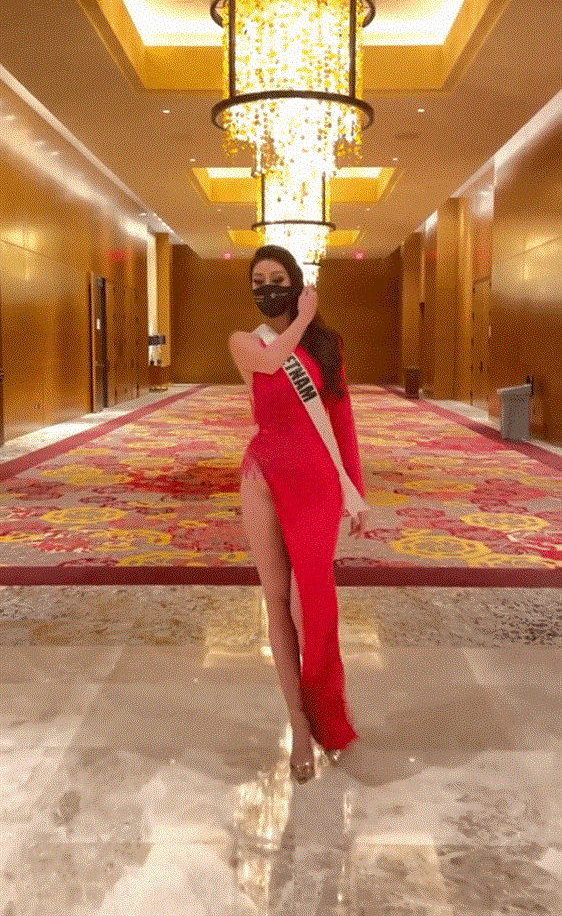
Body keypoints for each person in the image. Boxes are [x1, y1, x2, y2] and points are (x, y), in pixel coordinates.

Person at [228, 245, 368, 784]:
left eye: (277, 278)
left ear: (295, 281)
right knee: (275, 600)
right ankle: (299, 724)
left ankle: (327, 710)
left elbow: (342, 419)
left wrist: (355, 491)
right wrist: (303, 318)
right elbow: (269, 362)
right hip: (263, 476)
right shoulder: (245, 342)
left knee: (311, 600)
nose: (268, 288)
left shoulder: (327, 346)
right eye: (258, 280)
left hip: (315, 480)